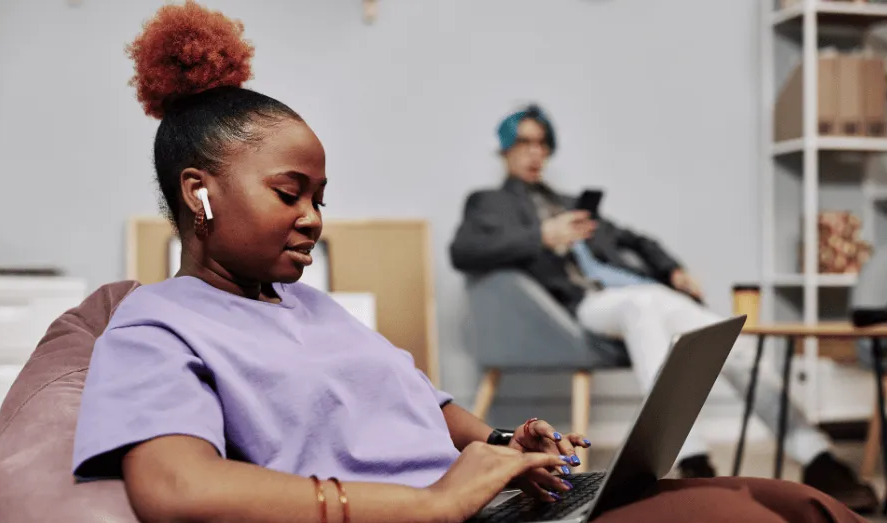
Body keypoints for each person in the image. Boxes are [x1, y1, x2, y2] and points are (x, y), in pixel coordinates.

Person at [72, 3, 867, 522]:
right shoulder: (155, 322)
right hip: (440, 520)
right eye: (291, 193)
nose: (315, 217)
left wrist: (498, 444)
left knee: (790, 502)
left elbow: (425, 403)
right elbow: (175, 488)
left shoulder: (313, 308)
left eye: (321, 195)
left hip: (502, 504)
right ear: (199, 196)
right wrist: (435, 505)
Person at [449, 105, 879, 514]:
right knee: (642, 307)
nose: (534, 151)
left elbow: (637, 240)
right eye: (524, 142)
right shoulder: (489, 203)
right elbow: (464, 250)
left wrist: (673, 269)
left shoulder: (571, 203)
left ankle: (818, 455)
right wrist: (542, 236)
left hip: (645, 296)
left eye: (542, 143)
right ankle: (692, 456)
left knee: (729, 339)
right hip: (582, 307)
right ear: (505, 149)